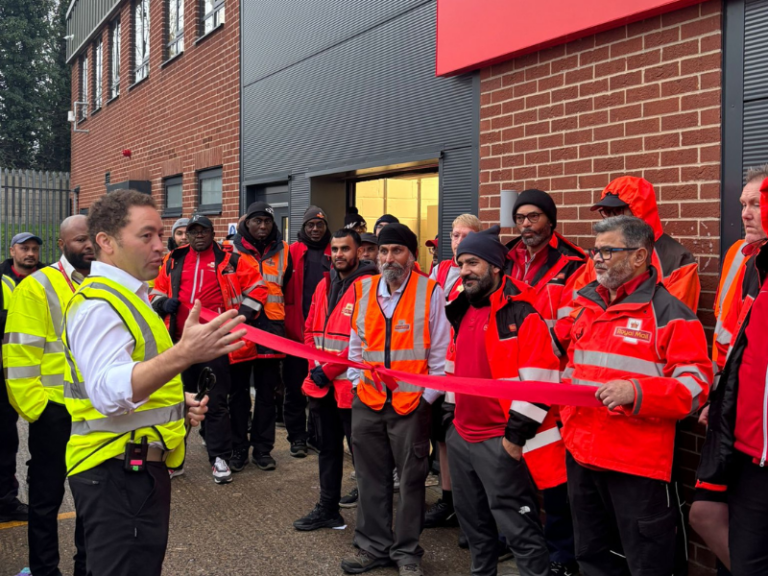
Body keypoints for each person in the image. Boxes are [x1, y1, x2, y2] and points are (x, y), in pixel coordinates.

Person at [62, 189, 243, 576]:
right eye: (147, 236)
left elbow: (140, 380)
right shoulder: (99, 305)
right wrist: (185, 354)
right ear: (106, 243)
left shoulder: (131, 296)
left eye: (161, 234)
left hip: (131, 468)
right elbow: (109, 393)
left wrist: (180, 403)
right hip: (116, 470)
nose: (161, 246)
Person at [557, 216, 711, 576]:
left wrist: (637, 392)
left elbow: (696, 386)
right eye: (596, 251)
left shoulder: (670, 313)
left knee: (646, 563)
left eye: (608, 251)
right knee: (592, 558)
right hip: (581, 456)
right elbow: (571, 373)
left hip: (636, 466)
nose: (597, 258)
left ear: (640, 256)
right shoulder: (587, 306)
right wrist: (567, 424)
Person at [445, 225, 561, 576]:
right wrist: (450, 421)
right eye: (462, 263)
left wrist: (513, 441)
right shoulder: (460, 308)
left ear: (496, 267)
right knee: (476, 533)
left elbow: (542, 383)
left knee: (520, 533)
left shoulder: (523, 313)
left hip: (500, 442)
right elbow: (454, 369)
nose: (465, 270)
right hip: (462, 438)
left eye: (474, 263)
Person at [341, 223, 450, 576]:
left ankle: (406, 553)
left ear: (411, 255)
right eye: (384, 251)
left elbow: (441, 353)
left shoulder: (430, 292)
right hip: (369, 401)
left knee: (412, 480)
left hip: (411, 405)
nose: (389, 258)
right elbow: (356, 347)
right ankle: (373, 548)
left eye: (397, 251)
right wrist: (358, 384)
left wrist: (426, 399)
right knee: (370, 479)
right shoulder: (363, 290)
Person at [689, 165, 768, 575]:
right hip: (732, 416)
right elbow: (728, 337)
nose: (746, 213)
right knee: (709, 513)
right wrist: (716, 398)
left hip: (757, 435)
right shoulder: (740, 255)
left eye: (756, 203)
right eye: (743, 204)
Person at [2, 216, 92, 576]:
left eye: (92, 238)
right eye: (79, 239)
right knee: (45, 499)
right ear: (62, 243)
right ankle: (44, 570)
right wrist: (36, 409)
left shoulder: (107, 281)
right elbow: (19, 354)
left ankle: (87, 567)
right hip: (54, 412)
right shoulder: (38, 286)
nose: (87, 245)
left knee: (91, 499)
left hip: (95, 410)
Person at [151, 214, 268, 483]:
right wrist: (162, 303)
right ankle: (174, 460)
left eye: (203, 231)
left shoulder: (232, 259)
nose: (198, 235)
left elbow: (259, 288)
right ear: (186, 235)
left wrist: (241, 316)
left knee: (214, 403)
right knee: (177, 403)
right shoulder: (173, 260)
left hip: (215, 344)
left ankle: (219, 458)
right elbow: (154, 290)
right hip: (179, 343)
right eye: (193, 232)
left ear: (212, 232)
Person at [506, 189, 586, 575]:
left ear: (550, 221)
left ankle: (561, 555)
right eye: (520, 217)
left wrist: (540, 341)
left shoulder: (573, 264)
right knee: (513, 471)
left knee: (554, 481)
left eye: (533, 217)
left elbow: (576, 322)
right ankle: (520, 543)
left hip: (552, 382)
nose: (526, 225)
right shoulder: (503, 258)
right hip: (510, 378)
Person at [294, 229, 378, 531]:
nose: (339, 254)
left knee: (363, 459)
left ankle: (372, 524)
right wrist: (316, 366)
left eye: (346, 249)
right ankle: (328, 509)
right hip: (321, 387)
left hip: (352, 388)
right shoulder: (324, 284)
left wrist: (326, 369)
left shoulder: (370, 286)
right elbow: (309, 331)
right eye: (336, 249)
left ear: (359, 252)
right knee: (327, 451)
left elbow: (366, 341)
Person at [423, 213, 482, 533]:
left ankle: (472, 507)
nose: (458, 240)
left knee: (471, 438)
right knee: (442, 437)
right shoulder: (440, 269)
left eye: (465, 235)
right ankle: (448, 500)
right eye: (454, 235)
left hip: (472, 365)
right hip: (443, 364)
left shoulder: (484, 270)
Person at [569, 176, 700, 314]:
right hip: (597, 333)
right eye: (606, 212)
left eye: (618, 211)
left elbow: (674, 319)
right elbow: (580, 305)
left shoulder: (677, 260)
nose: (611, 218)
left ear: (640, 210)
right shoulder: (598, 255)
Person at [224, 202, 291, 471]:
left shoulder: (285, 250)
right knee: (238, 394)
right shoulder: (230, 251)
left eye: (267, 221)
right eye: (257, 221)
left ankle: (263, 450)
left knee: (267, 394)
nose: (262, 226)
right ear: (245, 224)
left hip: (272, 331)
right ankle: (238, 448)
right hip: (239, 330)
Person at [0, 232, 44, 524]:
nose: (30, 253)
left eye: (34, 249)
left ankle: (19, 499)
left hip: (39, 377)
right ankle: (5, 500)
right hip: (2, 376)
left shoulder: (47, 281)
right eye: (24, 248)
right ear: (12, 250)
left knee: (41, 445)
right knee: (4, 440)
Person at [284, 206, 332, 457]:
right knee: (294, 390)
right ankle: (297, 438)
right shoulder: (291, 252)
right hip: (295, 335)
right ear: (303, 227)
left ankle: (316, 436)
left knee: (321, 390)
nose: (315, 229)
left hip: (325, 338)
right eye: (310, 225)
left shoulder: (333, 252)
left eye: (319, 225)